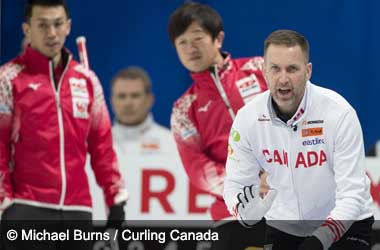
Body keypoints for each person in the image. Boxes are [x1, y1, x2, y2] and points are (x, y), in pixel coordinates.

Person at [224, 29, 374, 250]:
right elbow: (235, 184)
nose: (283, 79)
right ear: (264, 71)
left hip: (348, 224)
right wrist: (242, 212)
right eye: (275, 69)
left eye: (292, 69)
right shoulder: (248, 119)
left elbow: (353, 194)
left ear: (308, 71)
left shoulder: (338, 113)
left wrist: (319, 240)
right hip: (285, 226)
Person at [0, 0, 128, 249]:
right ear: (27, 29)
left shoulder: (87, 80)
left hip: (77, 211)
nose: (51, 33)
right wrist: (5, 203)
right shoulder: (8, 79)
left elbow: (102, 147)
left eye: (58, 24)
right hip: (26, 208)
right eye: (42, 25)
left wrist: (115, 201)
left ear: (68, 26)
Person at [168, 2, 268, 249]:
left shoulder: (261, 70)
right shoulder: (183, 108)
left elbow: (305, 116)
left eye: (197, 38)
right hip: (232, 216)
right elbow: (198, 169)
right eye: (182, 43)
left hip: (291, 204)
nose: (190, 49)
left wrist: (281, 174)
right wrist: (249, 185)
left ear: (218, 38)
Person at [87, 66, 212, 223]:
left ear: (149, 99)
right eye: (122, 96)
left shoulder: (173, 145)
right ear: (111, 100)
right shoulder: (93, 146)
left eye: (135, 96)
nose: (128, 102)